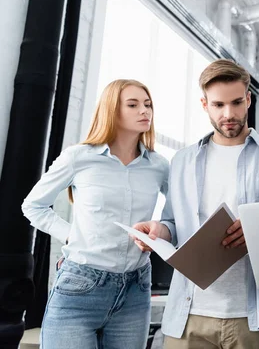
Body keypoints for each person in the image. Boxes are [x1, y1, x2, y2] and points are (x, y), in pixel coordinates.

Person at [133, 59, 259, 349]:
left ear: (248, 100)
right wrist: (157, 230)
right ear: (204, 104)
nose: (228, 114)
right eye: (218, 105)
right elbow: (173, 223)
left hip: (254, 316)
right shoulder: (182, 160)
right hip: (189, 314)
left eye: (236, 103)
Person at [22, 79, 169, 349]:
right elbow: (32, 205)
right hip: (80, 287)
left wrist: (161, 228)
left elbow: (180, 212)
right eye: (133, 105)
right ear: (112, 110)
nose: (145, 111)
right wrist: (72, 235)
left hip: (135, 290)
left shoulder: (159, 166)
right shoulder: (79, 157)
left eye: (148, 105)